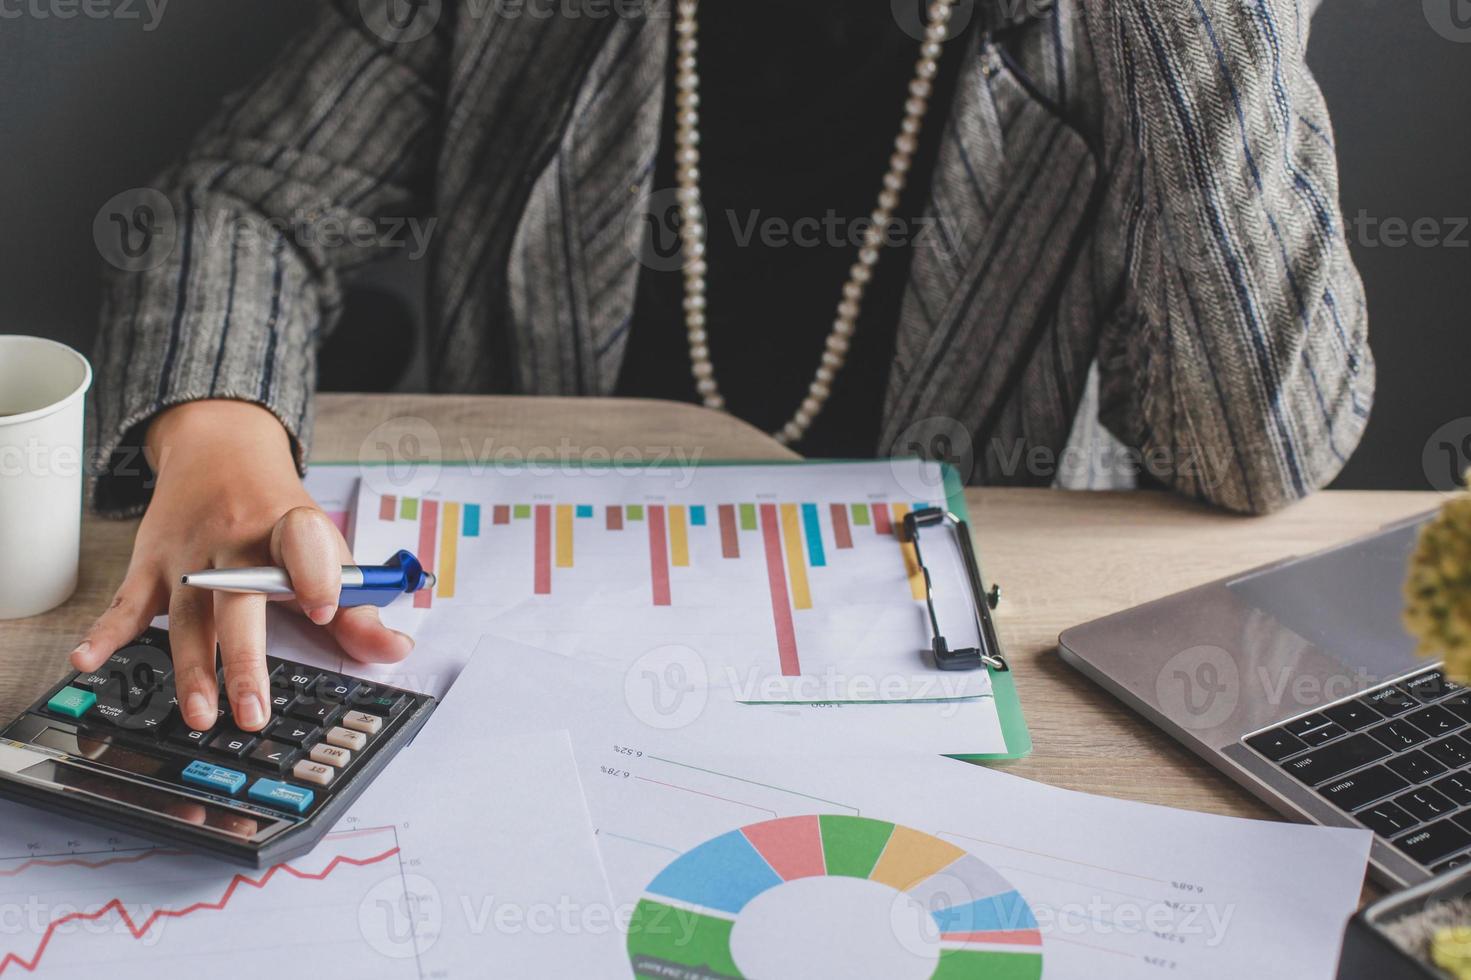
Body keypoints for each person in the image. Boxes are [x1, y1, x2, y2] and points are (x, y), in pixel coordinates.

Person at [76, 0, 1374, 734]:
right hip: (510, 656)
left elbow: (1249, 447)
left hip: (977, 673)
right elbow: (246, 203)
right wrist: (218, 435)